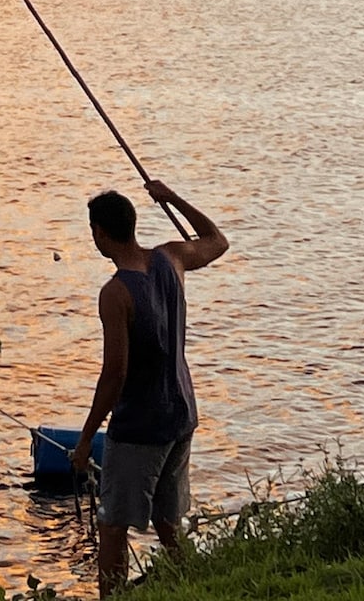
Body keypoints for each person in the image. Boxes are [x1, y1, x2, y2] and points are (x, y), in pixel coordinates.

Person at [70, 178, 229, 596]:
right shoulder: (172, 258)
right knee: (165, 519)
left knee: (112, 523)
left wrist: (86, 440)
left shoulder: (116, 293)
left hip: (141, 425)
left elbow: (115, 374)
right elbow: (216, 240)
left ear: (100, 233)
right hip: (181, 413)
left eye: (94, 232)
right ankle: (196, 583)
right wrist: (172, 197)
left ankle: (113, 597)